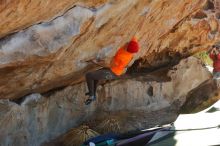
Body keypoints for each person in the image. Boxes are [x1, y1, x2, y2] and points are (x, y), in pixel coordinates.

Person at [84, 37, 140, 105]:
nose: (127, 42)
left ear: (127, 47)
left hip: (112, 72)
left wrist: (95, 62)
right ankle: (92, 93)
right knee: (96, 77)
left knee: (89, 75)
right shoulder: (130, 46)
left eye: (128, 43)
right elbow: (134, 38)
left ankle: (91, 96)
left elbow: (108, 65)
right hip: (114, 68)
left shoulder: (122, 57)